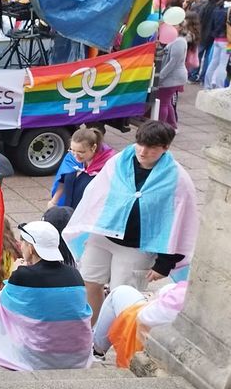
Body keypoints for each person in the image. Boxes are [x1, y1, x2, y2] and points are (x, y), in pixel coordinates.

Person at [64, 121, 199, 324]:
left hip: (137, 247)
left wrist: (164, 263)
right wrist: (89, 230)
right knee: (89, 283)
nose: (143, 152)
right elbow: (97, 197)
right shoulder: (120, 161)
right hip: (104, 236)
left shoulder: (178, 179)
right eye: (140, 144)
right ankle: (89, 333)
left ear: (165, 148)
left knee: (123, 297)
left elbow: (180, 221)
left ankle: (109, 342)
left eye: (152, 147)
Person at [0, 221, 93, 371]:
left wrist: (12, 276)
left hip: (38, 358)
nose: (20, 245)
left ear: (31, 248)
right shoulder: (74, 274)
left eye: (23, 242)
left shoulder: (22, 275)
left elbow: (3, 307)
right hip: (78, 355)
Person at [93, 281, 188, 368]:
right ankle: (97, 351)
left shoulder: (186, 295)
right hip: (174, 342)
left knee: (119, 292)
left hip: (145, 340)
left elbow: (145, 316)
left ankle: (97, 351)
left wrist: (155, 300)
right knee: (123, 293)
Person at [51, 128, 115, 209]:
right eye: (72, 150)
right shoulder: (71, 158)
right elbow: (62, 180)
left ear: (93, 147)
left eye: (81, 152)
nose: (76, 156)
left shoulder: (107, 165)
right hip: (69, 206)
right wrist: (54, 201)